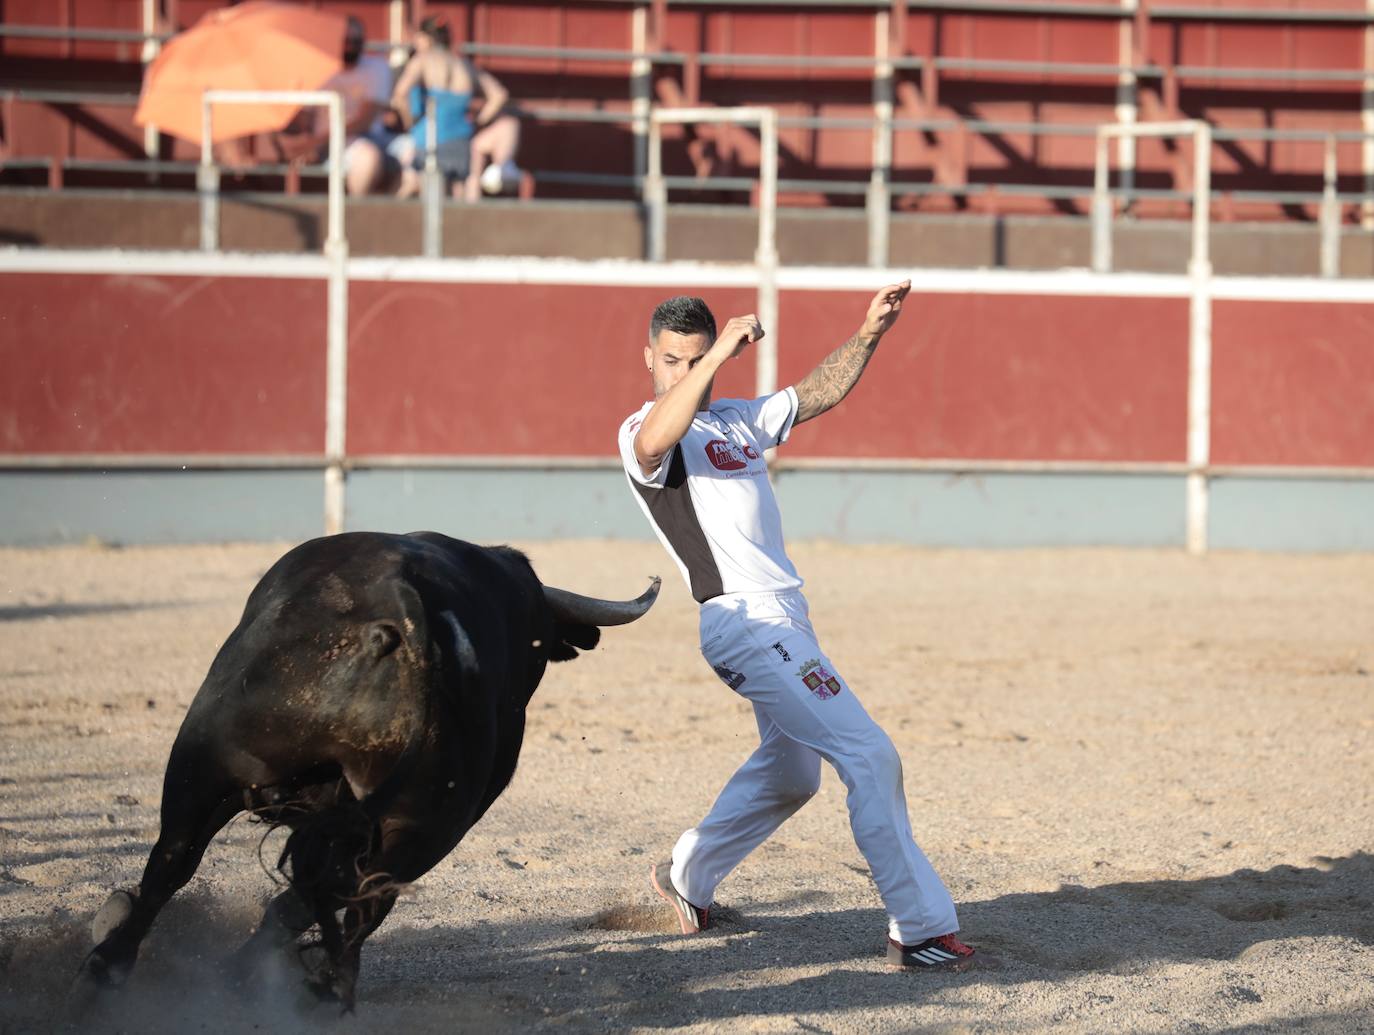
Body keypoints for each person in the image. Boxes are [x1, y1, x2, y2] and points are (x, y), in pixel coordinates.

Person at [617, 283, 976, 971]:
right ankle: (922, 928)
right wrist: (719, 351)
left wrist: (869, 333)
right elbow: (660, 432)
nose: (685, 372)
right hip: (744, 621)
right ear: (650, 360)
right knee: (870, 754)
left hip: (786, 618)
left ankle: (684, 878)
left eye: (697, 360)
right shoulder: (643, 433)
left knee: (791, 775)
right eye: (673, 361)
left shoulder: (734, 421)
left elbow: (815, 392)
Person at [387, 17, 509, 200]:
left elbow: (400, 94)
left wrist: (409, 121)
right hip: (460, 139)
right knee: (457, 197)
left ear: (425, 38)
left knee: (420, 192)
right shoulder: (465, 65)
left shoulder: (423, 60)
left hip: (428, 138)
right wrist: (479, 122)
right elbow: (499, 95)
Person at [307, 16, 394, 195]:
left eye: (356, 40)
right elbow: (302, 116)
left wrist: (311, 143)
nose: (351, 45)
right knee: (366, 157)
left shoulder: (376, 68)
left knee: (408, 155)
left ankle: (361, 216)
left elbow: (365, 120)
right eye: (346, 40)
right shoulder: (317, 69)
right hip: (326, 147)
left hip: (365, 139)